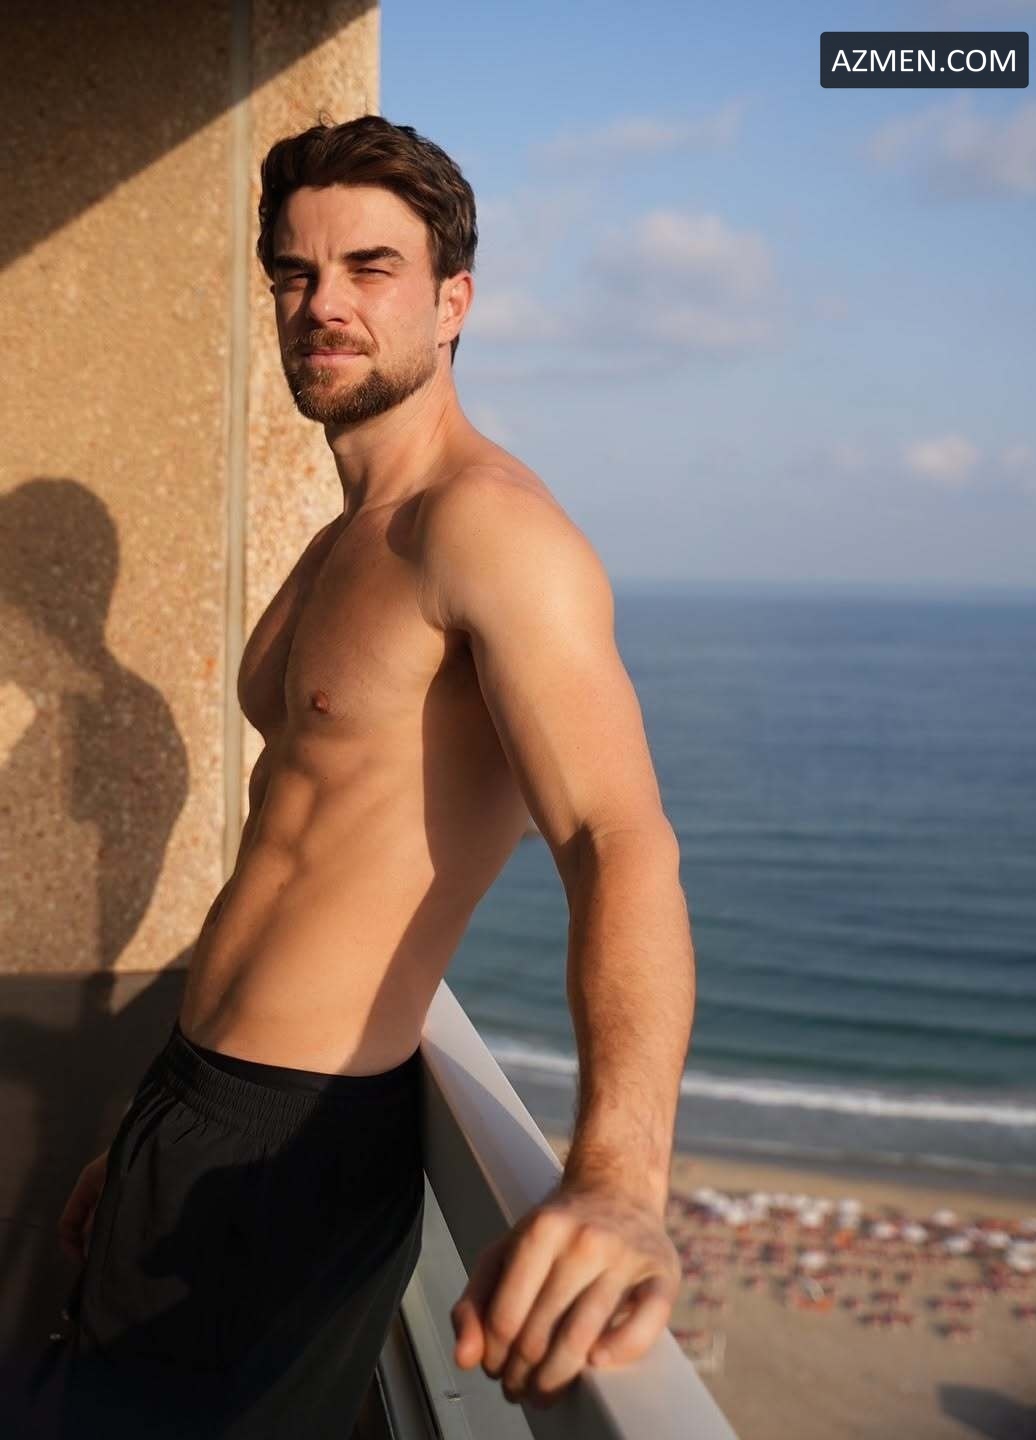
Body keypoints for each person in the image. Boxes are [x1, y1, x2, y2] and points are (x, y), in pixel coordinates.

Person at [53, 113, 695, 1436]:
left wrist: (620, 1178)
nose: (322, 304)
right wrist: (150, 1122)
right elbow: (279, 859)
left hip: (297, 1152)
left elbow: (616, 838)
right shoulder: (345, 540)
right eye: (295, 273)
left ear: (454, 301)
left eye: (370, 267)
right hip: (193, 1103)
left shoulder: (490, 531)